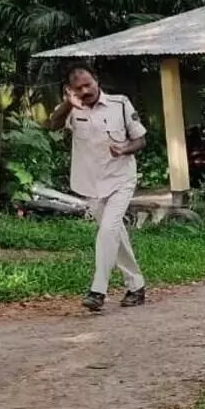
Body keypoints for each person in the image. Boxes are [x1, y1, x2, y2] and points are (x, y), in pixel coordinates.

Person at [47, 65, 147, 312]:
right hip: (92, 183)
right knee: (115, 233)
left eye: (88, 84)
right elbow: (51, 125)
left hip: (121, 178)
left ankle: (98, 290)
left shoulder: (120, 104)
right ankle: (136, 285)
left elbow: (140, 139)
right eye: (79, 88)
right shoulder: (72, 109)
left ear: (96, 81)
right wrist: (69, 104)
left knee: (107, 230)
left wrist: (123, 149)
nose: (85, 90)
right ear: (71, 90)